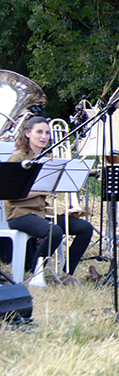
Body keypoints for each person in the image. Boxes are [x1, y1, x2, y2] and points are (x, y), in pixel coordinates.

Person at [4, 117, 93, 286]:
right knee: (55, 231)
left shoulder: (48, 158)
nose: (44, 136)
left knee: (85, 228)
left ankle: (67, 274)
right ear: (28, 134)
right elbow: (10, 194)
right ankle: (35, 274)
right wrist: (44, 190)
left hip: (41, 213)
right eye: (39, 132)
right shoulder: (18, 158)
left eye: (47, 133)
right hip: (20, 215)